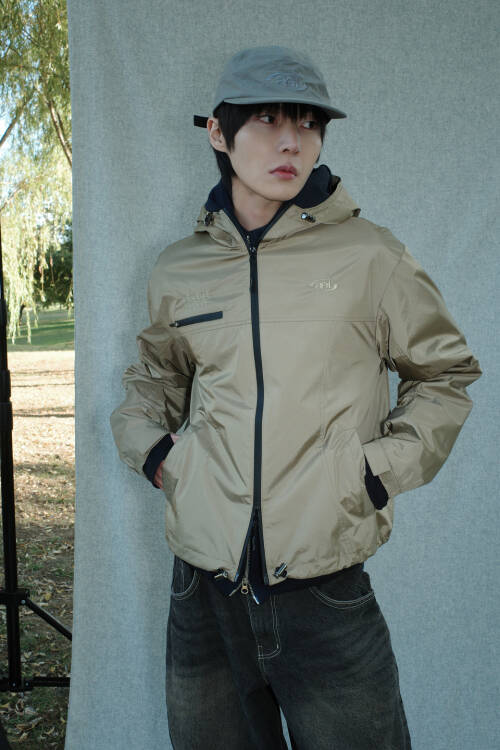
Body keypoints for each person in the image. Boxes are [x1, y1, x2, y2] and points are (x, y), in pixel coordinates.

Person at [110, 45, 482, 750]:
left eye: (309, 123)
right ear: (218, 133)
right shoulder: (179, 267)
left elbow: (446, 375)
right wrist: (159, 455)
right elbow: (152, 379)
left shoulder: (371, 255)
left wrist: (373, 471)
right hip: (202, 591)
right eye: (268, 120)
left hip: (325, 592)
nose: (292, 142)